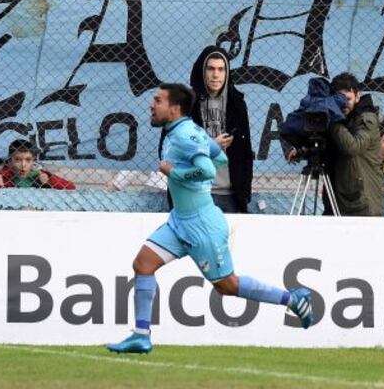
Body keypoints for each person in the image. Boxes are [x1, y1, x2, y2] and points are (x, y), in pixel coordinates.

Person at [107, 84, 313, 354]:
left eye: (158, 100)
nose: (151, 105)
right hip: (180, 220)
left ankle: (292, 299)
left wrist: (174, 172)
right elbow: (219, 158)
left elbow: (206, 171)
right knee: (143, 265)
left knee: (227, 286)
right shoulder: (185, 131)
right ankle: (141, 335)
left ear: (174, 108)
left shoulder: (184, 136)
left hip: (202, 224)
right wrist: (211, 146)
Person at [189, 46, 254, 213]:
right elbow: (172, 148)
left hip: (231, 193)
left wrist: (245, 191)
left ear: (227, 72)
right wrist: (211, 145)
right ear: (202, 71)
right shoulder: (188, 104)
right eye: (211, 69)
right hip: (195, 191)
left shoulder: (237, 104)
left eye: (221, 69)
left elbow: (246, 152)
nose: (216, 75)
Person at [325, 73, 384, 216]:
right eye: (338, 99)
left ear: (358, 96)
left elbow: (353, 147)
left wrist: (334, 121)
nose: (344, 103)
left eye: (348, 99)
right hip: (342, 196)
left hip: (364, 200)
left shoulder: (366, 119)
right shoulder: (340, 119)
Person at [0, 140, 75, 189]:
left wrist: (49, 180)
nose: (23, 165)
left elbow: (71, 187)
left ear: (33, 160)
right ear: (10, 161)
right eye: (18, 160)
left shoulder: (40, 175)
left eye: (28, 160)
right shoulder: (1, 176)